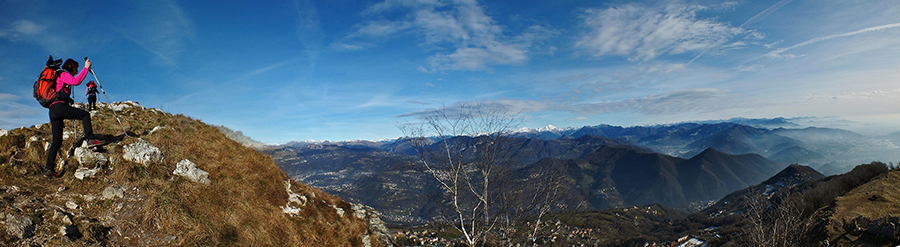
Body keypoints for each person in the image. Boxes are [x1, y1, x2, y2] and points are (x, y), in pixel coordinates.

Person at [45, 58, 106, 178]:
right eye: (76, 68)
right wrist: (86, 68)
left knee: (57, 142)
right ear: (71, 67)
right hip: (59, 107)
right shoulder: (63, 74)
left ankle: (48, 169)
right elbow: (76, 81)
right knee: (85, 115)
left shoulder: (59, 76)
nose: (77, 71)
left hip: (53, 110)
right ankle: (90, 139)